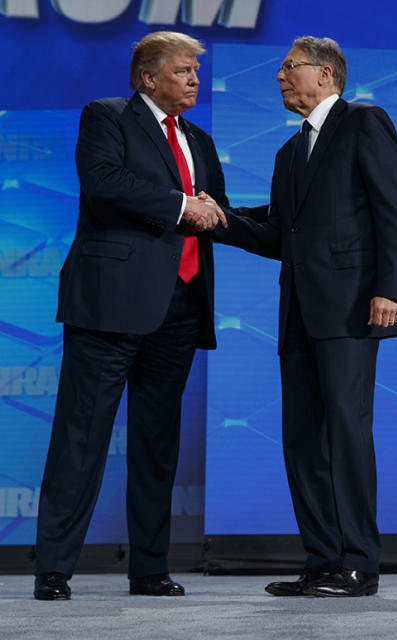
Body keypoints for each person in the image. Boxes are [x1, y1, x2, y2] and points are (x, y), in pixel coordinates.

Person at [211, 36, 397, 597]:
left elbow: (394, 210)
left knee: (347, 432)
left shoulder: (364, 122)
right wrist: (218, 219)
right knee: (302, 438)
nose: (278, 77)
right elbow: (282, 233)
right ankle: (323, 559)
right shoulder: (287, 153)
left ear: (324, 75)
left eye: (288, 68)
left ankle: (359, 562)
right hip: (298, 310)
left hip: (353, 305)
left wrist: (391, 289)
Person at [33, 31, 228, 600]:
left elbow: (215, 213)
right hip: (110, 304)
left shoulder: (201, 140)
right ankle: (54, 568)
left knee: (157, 442)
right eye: (183, 71)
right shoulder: (107, 117)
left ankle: (149, 568)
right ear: (149, 77)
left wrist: (295, 232)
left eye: (196, 71)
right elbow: (104, 184)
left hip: (182, 307)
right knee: (82, 437)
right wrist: (180, 206)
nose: (194, 79)